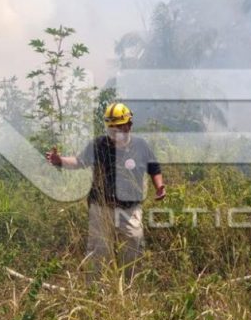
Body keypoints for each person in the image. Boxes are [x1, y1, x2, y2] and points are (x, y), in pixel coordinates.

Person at [46, 102, 165, 282]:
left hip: (130, 209)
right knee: (98, 253)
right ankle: (95, 290)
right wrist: (59, 160)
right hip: (101, 209)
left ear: (129, 125)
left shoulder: (141, 146)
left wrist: (159, 187)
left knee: (133, 248)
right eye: (111, 129)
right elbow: (79, 162)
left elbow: (154, 168)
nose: (114, 133)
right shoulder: (98, 145)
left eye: (119, 128)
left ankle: (131, 288)